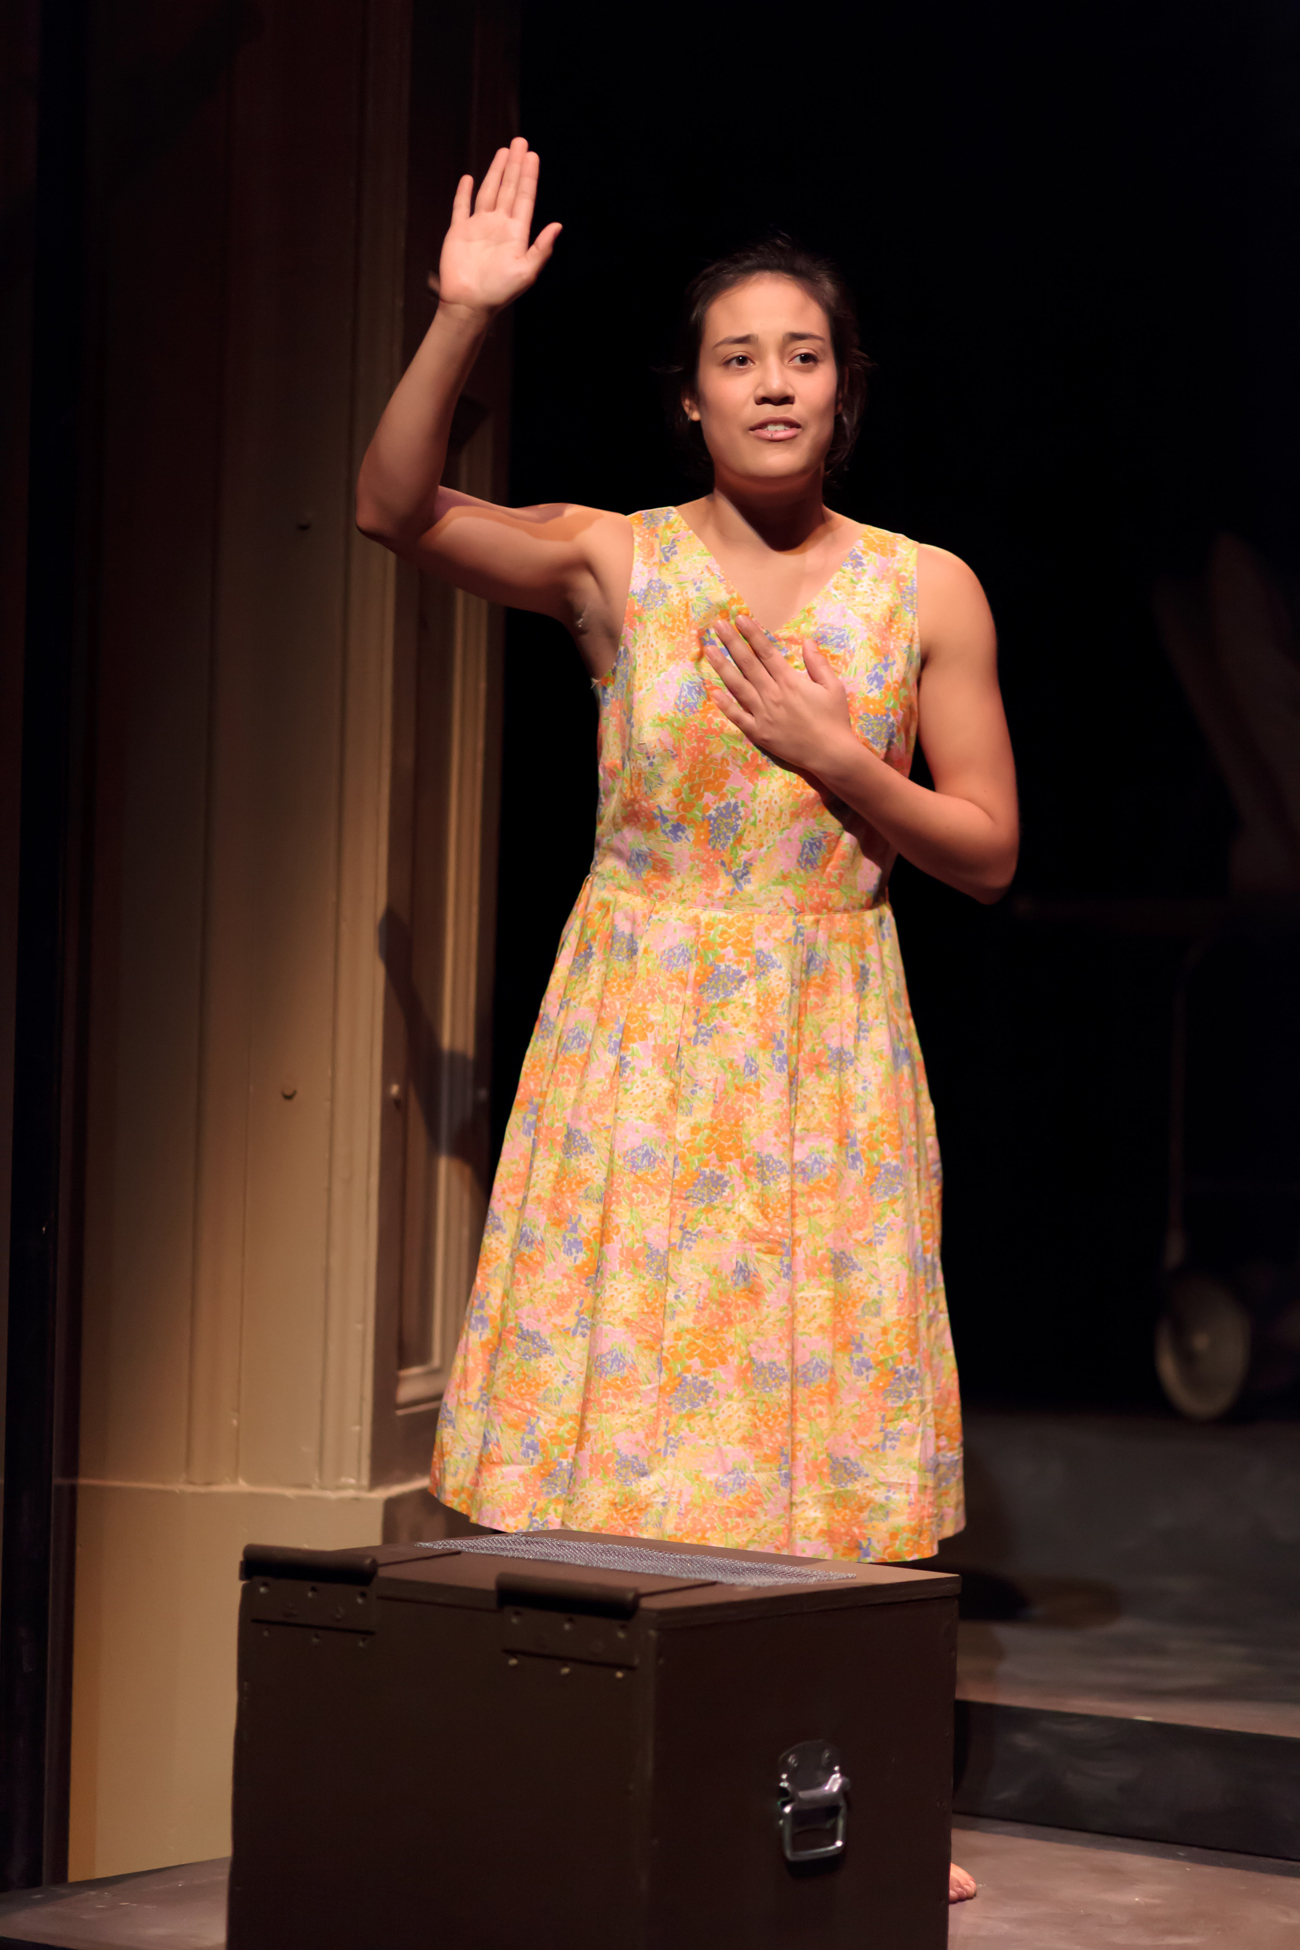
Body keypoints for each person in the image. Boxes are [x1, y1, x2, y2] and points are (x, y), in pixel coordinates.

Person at [357, 138, 1017, 1908]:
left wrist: (838, 757)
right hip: (643, 1032)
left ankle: (853, 1785)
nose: (774, 382)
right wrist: (460, 317)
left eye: (803, 354)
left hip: (823, 1032)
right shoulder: (619, 564)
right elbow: (394, 508)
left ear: (846, 389)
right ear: (692, 397)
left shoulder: (927, 589)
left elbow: (987, 849)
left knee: (822, 1403)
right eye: (739, 357)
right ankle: (583, 1762)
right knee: (626, 1388)